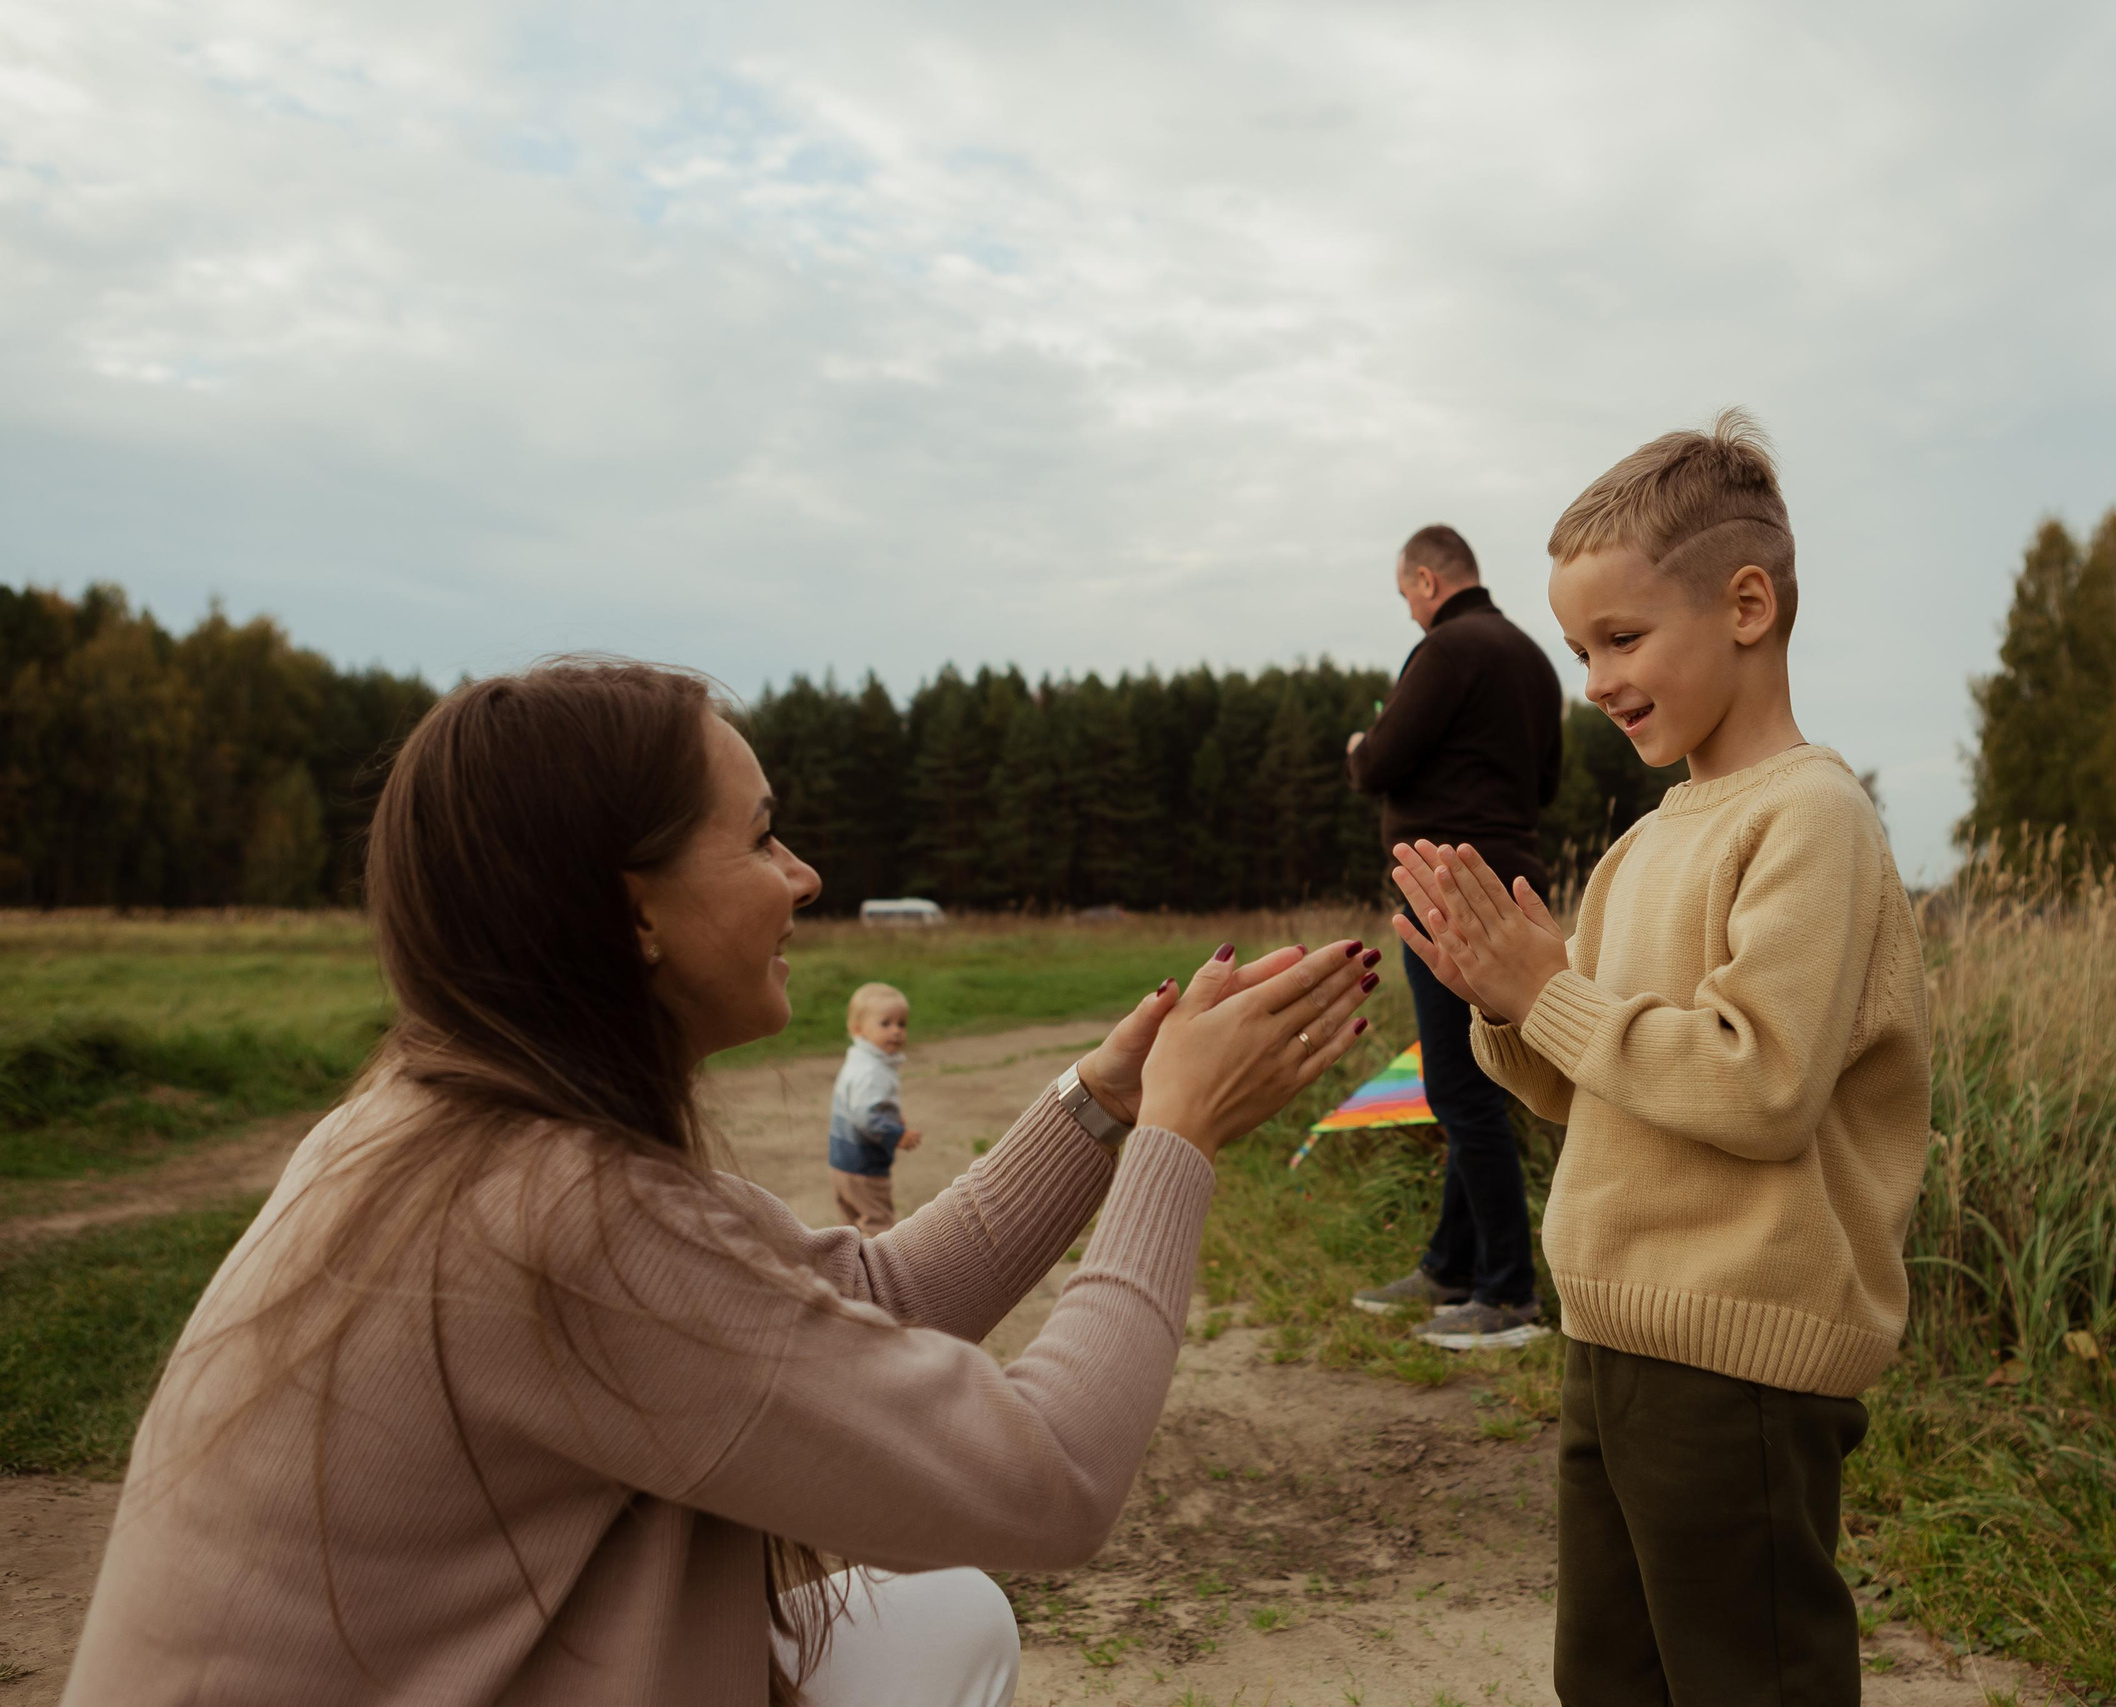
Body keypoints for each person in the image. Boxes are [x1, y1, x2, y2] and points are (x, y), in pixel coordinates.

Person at [64, 659, 1380, 1707]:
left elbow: (864, 1295)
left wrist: (1104, 1104)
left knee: (941, 1619)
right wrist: (1179, 1143)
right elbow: (1046, 1477)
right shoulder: (558, 1218)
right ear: (630, 910)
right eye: (760, 839)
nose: (803, 876)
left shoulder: (444, 1119)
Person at [1391, 413, 1930, 1707]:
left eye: (1622, 638)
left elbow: (1758, 1080)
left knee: (1746, 1678)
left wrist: (1553, 992)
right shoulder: (1644, 840)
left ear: (1748, 604)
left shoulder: (1812, 818)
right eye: (1582, 649)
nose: (1595, 679)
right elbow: (1598, 1084)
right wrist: (1506, 1006)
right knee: (1610, 1678)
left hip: (1737, 1358)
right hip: (1617, 1328)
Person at [1344, 523, 1562, 1351]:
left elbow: (1381, 763)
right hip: (1513, 884)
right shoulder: (1536, 661)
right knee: (1481, 1078)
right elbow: (1547, 781)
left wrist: (1362, 745)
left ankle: (1507, 1294)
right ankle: (1449, 1266)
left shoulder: (1445, 650)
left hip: (1444, 884)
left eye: (1408, 595)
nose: (1409, 611)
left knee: (1462, 1089)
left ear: (1430, 581)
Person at [829, 982, 919, 1235]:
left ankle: (847, 1272)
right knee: (878, 1226)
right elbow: (866, 1115)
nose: (896, 1031)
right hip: (864, 1166)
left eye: (902, 1024)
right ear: (858, 1029)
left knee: (849, 1228)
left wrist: (892, 1115)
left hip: (841, 1161)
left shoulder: (858, 1059)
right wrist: (895, 1134)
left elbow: (862, 1104)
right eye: (885, 1023)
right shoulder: (873, 1070)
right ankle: (880, 1273)